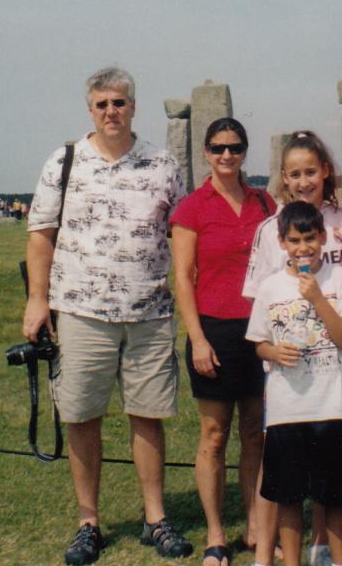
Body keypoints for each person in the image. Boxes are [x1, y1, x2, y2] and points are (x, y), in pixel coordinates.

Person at [22, 66, 191, 565]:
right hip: (80, 309)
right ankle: (88, 521)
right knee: (81, 415)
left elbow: (182, 234)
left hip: (149, 312)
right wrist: (37, 301)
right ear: (90, 109)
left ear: (134, 106)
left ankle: (155, 517)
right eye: (102, 104)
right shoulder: (65, 160)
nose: (111, 111)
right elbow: (41, 235)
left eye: (119, 102)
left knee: (148, 415)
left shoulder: (163, 163)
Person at [171, 117, 274, 566]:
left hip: (260, 330)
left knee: (256, 433)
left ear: (244, 151)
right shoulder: (192, 207)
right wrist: (196, 339)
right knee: (214, 435)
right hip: (213, 328)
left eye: (234, 147)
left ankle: (254, 521)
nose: (227, 155)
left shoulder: (264, 201)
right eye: (218, 148)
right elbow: (183, 278)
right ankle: (215, 532)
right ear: (206, 153)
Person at [242, 130, 342, 566]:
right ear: (284, 178)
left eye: (311, 172)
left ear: (325, 171)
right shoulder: (271, 229)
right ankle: (268, 554)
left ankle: (322, 546)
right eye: (295, 174)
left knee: (328, 460)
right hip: (285, 365)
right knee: (280, 462)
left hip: (334, 352)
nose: (304, 181)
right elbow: (260, 296)